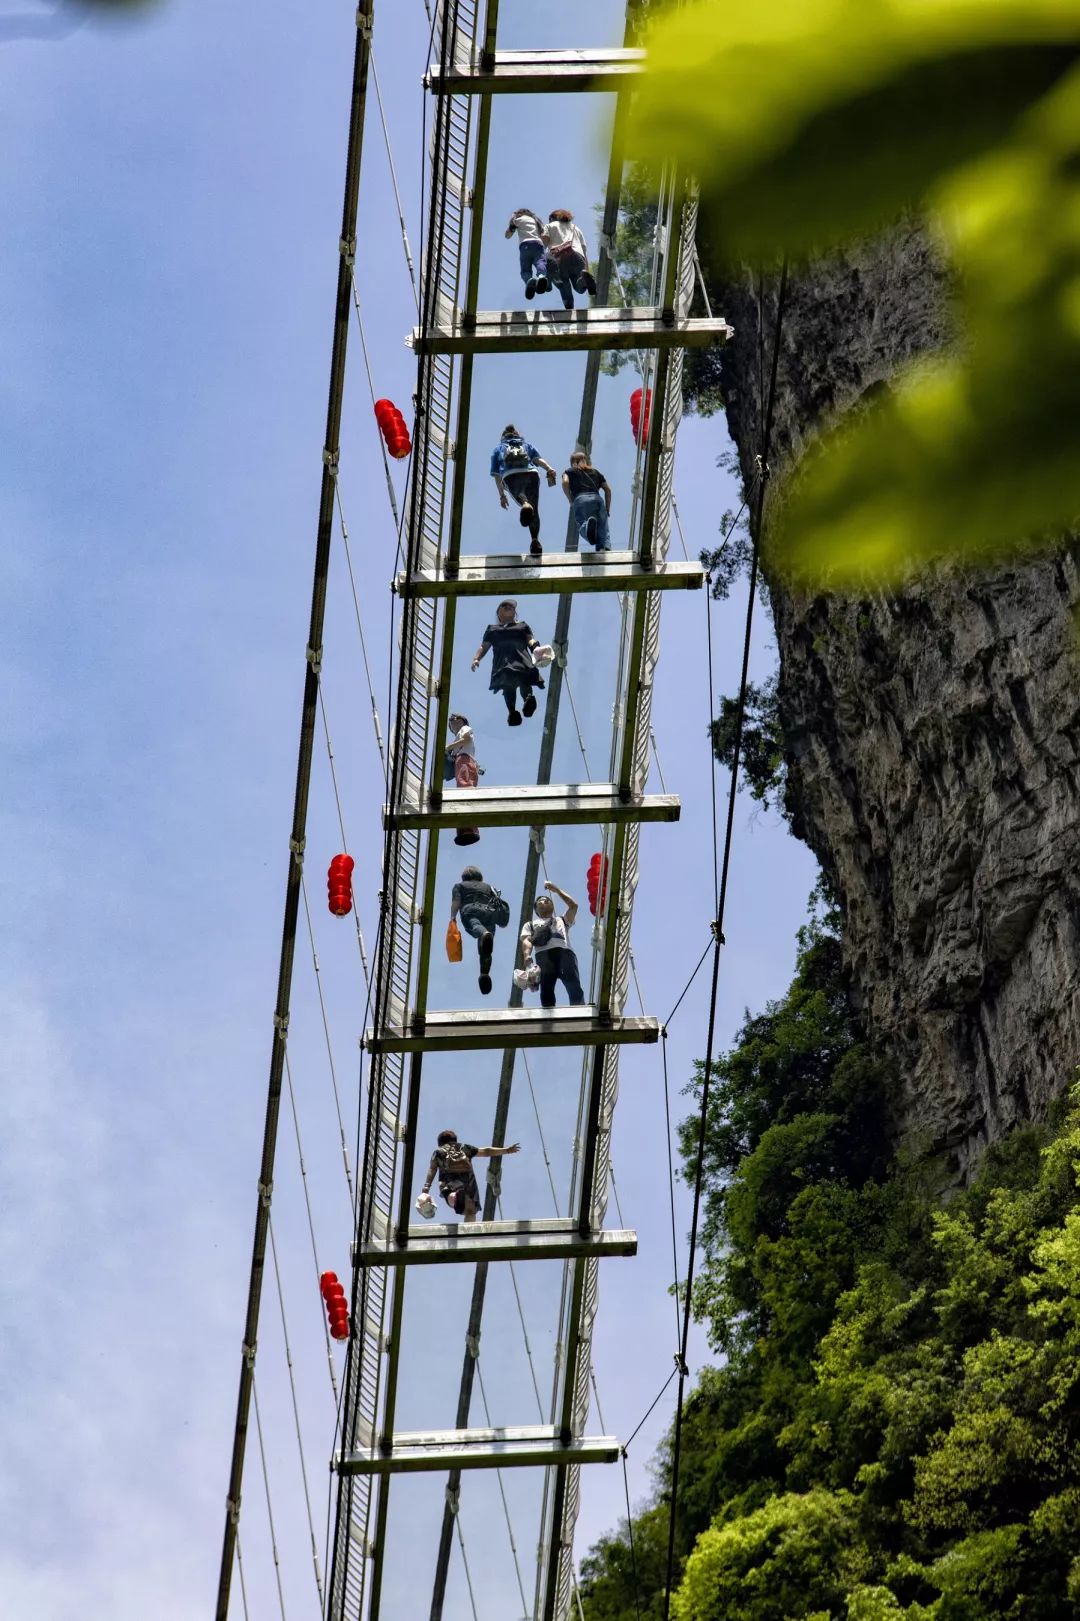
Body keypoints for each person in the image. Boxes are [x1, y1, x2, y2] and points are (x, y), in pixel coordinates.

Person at [419, 1129, 521, 1224]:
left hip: (449, 1179)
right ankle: (469, 1229)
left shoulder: (439, 1152)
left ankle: (455, 1196)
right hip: (468, 1181)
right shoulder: (464, 1147)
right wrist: (507, 1150)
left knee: (449, 1194)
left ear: (440, 1143)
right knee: (471, 1211)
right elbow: (486, 1151)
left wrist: (426, 1187)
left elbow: (432, 1169)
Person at [471, 599, 545, 728]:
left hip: (520, 657)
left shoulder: (522, 626)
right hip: (503, 661)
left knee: (524, 678)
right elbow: (484, 646)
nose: (508, 607)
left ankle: (528, 699)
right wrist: (476, 659)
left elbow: (530, 640)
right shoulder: (492, 629)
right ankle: (512, 712)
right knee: (507, 684)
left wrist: (536, 648)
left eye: (511, 606)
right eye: (504, 605)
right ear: (498, 612)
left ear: (514, 612)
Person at [490, 423, 558, 555]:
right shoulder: (525, 445)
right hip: (531, 473)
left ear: (503, 437)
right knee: (535, 508)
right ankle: (535, 540)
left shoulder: (498, 448)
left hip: (511, 475)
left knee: (522, 498)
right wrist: (549, 468)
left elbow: (497, 476)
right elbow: (538, 460)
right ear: (517, 434)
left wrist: (502, 496)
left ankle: (525, 504)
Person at [520, 880, 585, 1008]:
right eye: (540, 902)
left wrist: (557, 890)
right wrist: (527, 956)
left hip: (565, 953)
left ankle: (579, 1010)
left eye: (547, 900)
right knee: (546, 990)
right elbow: (527, 941)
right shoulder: (531, 924)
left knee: (573, 984)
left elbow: (574, 906)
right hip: (544, 956)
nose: (544, 902)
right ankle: (548, 1016)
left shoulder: (562, 920)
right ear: (536, 910)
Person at [450, 863, 510, 995]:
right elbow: (497, 900)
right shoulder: (488, 886)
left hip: (471, 909)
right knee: (485, 948)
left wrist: (452, 917)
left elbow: (456, 901)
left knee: (475, 926)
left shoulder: (459, 886)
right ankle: (484, 973)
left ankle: (484, 935)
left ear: (464, 876)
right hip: (490, 912)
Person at [543, 209, 597, 311]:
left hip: (558, 258)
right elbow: (584, 251)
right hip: (577, 256)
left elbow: (543, 243)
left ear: (553, 218)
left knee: (562, 283)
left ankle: (569, 306)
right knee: (579, 287)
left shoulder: (550, 226)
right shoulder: (576, 228)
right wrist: (586, 269)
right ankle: (585, 279)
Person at [562, 450, 612, 551]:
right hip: (597, 499)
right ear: (585, 460)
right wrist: (607, 508)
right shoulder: (595, 472)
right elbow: (607, 489)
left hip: (580, 500)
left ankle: (588, 526)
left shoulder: (569, 471)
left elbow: (565, 482)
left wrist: (570, 499)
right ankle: (604, 547)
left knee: (582, 522)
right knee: (603, 526)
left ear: (573, 462)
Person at [446, 712, 480, 847]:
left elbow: (467, 739)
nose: (451, 724)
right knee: (463, 791)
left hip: (465, 760)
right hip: (463, 761)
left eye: (453, 720)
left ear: (461, 720)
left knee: (465, 791)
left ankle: (469, 829)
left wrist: (449, 747)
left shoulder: (464, 729)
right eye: (450, 723)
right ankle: (465, 830)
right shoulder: (457, 737)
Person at [504, 207, 549, 300]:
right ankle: (541, 277)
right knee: (540, 262)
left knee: (525, 270)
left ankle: (529, 280)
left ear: (520, 213)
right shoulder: (535, 220)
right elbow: (544, 235)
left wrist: (513, 218)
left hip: (525, 246)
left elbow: (507, 235)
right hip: (538, 244)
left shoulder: (518, 219)